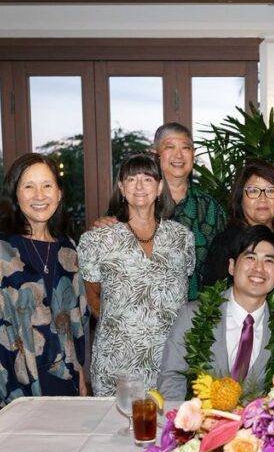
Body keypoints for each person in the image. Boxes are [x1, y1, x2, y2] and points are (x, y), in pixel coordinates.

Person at [78, 152, 194, 394]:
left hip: (170, 361)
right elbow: (91, 298)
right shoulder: (98, 239)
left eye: (148, 179)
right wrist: (126, 328)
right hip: (117, 362)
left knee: (168, 429)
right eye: (131, 179)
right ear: (121, 187)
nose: (139, 186)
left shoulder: (182, 238)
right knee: (113, 429)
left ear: (160, 186)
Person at [0, 152, 88, 408]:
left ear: (59, 193)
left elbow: (77, 319)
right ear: (15, 195)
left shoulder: (68, 249)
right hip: (12, 381)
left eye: (47, 185)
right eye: (29, 186)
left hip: (64, 376)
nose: (39, 195)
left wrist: (80, 371)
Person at [159, 225, 274, 400]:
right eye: (250, 258)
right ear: (232, 266)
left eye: (269, 261)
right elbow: (172, 379)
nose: (258, 268)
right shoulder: (191, 315)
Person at [201, 159, 274, 315]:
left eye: (270, 191)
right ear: (240, 198)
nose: (262, 198)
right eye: (253, 191)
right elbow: (210, 303)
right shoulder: (225, 242)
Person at [153, 123, 226, 300]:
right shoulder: (137, 202)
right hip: (144, 316)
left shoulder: (210, 208)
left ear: (193, 155)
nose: (178, 155)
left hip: (198, 317)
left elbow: (224, 270)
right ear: (156, 154)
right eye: (170, 147)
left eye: (185, 148)